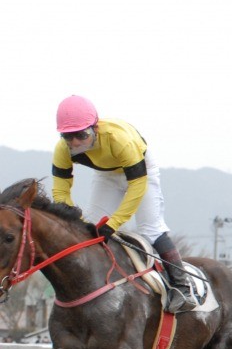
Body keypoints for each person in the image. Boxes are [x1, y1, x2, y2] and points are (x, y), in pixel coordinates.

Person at [51, 95, 197, 312]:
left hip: (140, 172)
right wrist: (77, 220)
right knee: (89, 231)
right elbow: (61, 192)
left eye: (81, 135)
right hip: (106, 176)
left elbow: (137, 187)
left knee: (150, 229)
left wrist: (115, 222)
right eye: (68, 136)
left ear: (95, 128)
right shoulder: (62, 150)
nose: (75, 143)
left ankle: (182, 287)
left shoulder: (119, 139)